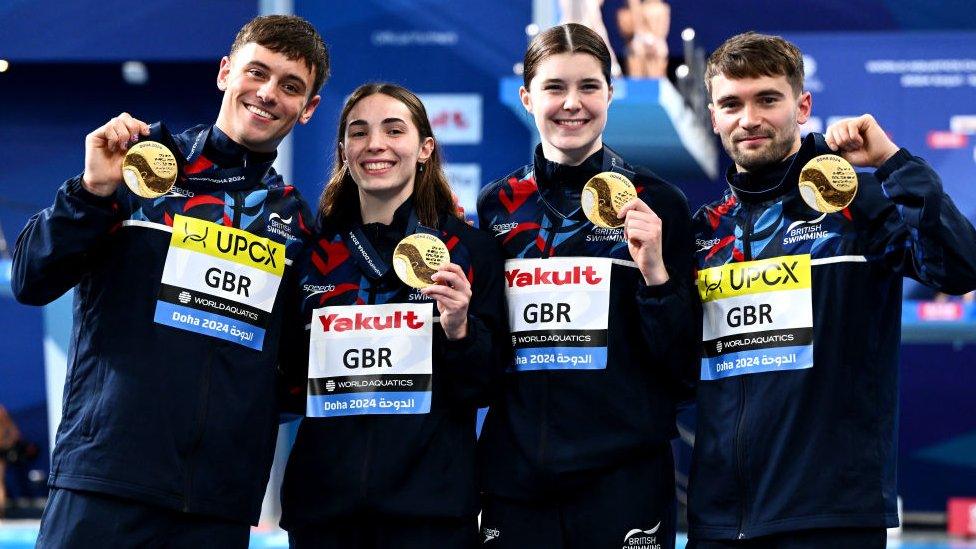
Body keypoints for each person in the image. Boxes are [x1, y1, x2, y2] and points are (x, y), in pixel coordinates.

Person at [12, 15, 328, 548]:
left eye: (291, 86)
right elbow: (31, 278)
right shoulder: (139, 169)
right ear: (226, 72)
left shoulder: (295, 224)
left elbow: (294, 374)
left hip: (214, 506)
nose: (268, 93)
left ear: (308, 109)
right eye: (258, 72)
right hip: (104, 483)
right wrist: (90, 191)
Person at [688, 32, 976, 548]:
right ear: (714, 116)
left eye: (767, 99)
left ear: (802, 106)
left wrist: (891, 163)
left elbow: (960, 267)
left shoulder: (855, 205)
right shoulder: (707, 231)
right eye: (731, 103)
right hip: (719, 522)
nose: (748, 118)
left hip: (832, 518)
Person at [476, 22, 698, 549]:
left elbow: (685, 365)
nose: (571, 103)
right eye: (554, 88)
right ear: (528, 96)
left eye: (588, 87)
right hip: (517, 478)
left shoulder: (659, 203)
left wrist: (656, 276)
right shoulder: (496, 206)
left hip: (624, 478)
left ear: (610, 94)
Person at [277, 83, 508, 548]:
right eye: (358, 133)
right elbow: (282, 381)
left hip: (431, 516)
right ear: (344, 150)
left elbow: (485, 388)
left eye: (394, 130)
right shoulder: (310, 252)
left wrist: (460, 329)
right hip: (324, 515)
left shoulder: (469, 250)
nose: (375, 144)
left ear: (425, 149)